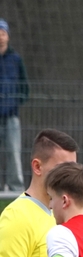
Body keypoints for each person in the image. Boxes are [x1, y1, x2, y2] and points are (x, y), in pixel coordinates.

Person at [0, 20, 29, 193]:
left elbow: (25, 86)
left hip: (11, 116)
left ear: (8, 36)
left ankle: (16, 189)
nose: (0, 37)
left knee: (13, 153)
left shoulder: (16, 60)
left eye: (2, 33)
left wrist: (16, 101)